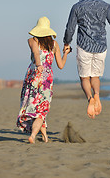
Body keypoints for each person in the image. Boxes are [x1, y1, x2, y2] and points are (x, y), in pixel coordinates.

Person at [17, 16, 70, 144]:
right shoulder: (54, 44)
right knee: (41, 109)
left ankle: (45, 137)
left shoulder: (32, 40)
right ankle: (33, 136)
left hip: (33, 75)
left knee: (35, 106)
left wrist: (38, 64)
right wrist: (66, 54)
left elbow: (36, 52)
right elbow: (61, 65)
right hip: (46, 78)